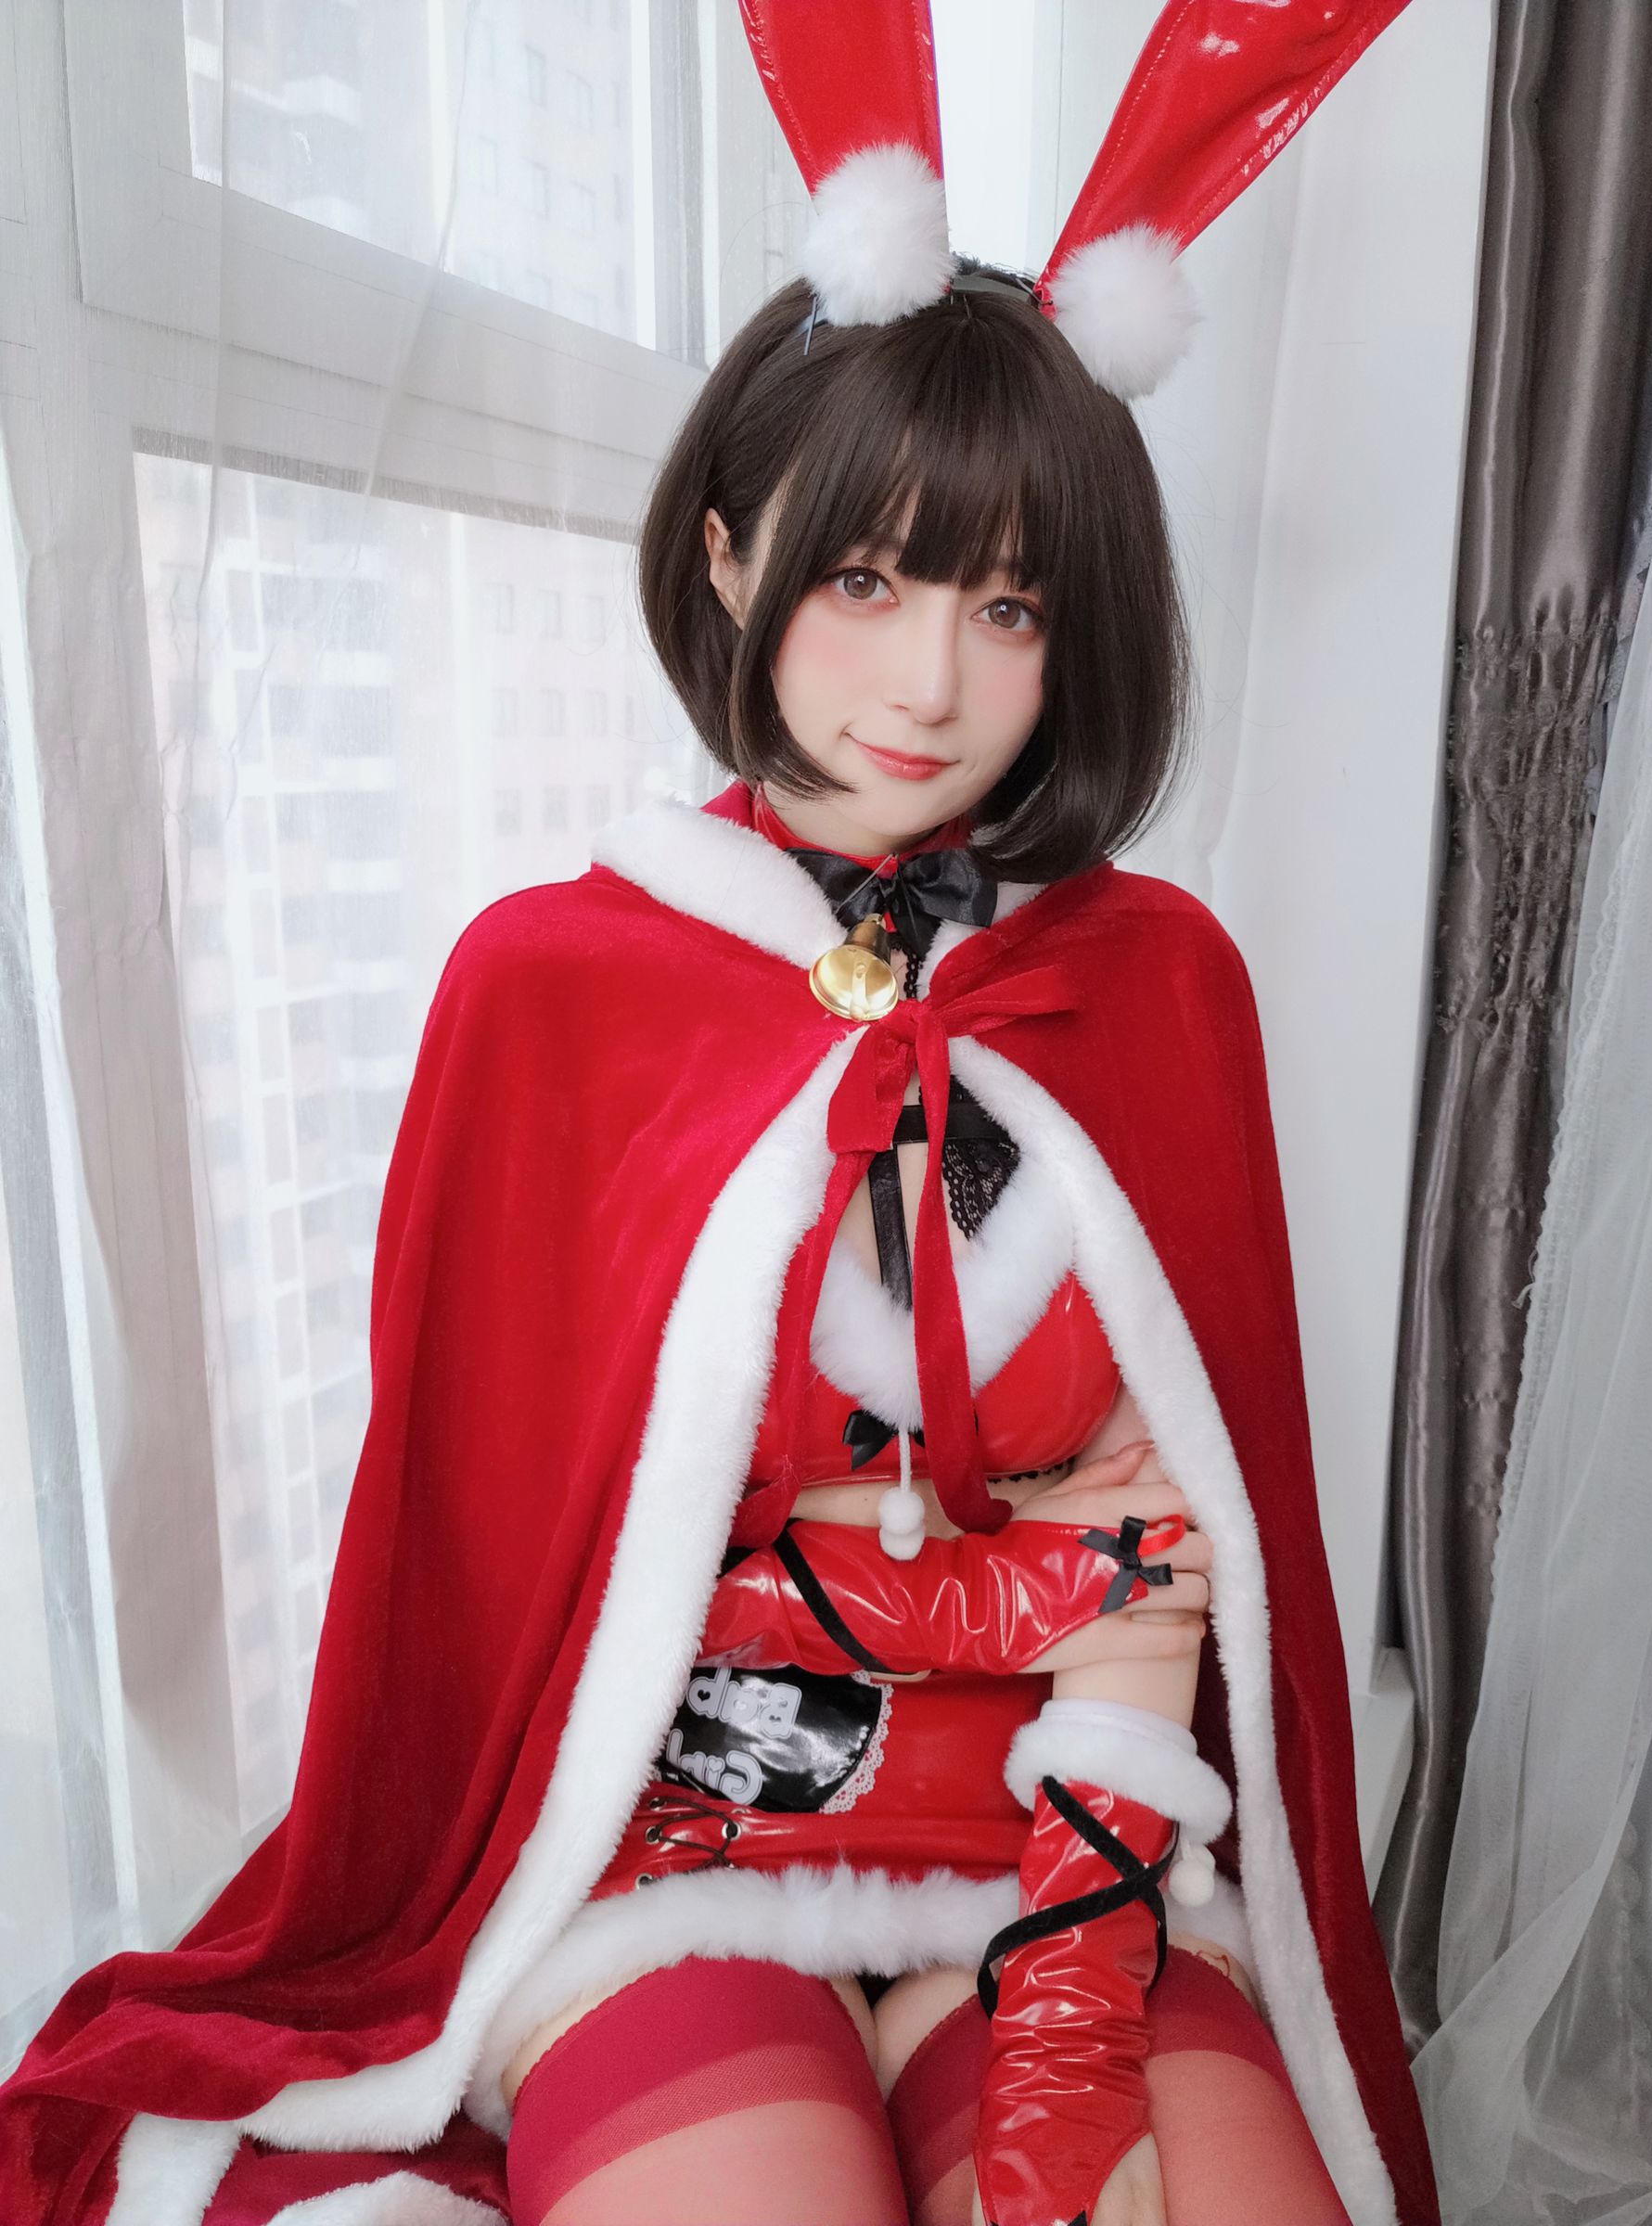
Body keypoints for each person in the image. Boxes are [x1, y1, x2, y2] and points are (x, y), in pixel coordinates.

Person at [0, 6, 1438, 2222]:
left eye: (1009, 605)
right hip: (668, 1855)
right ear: (727, 552)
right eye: (867, 579)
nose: (931, 683)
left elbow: (1183, 1560)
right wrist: (1000, 1567)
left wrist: (1072, 1990)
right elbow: (492, 1579)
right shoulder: (552, 989)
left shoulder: (1155, 987)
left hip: (1066, 1837)